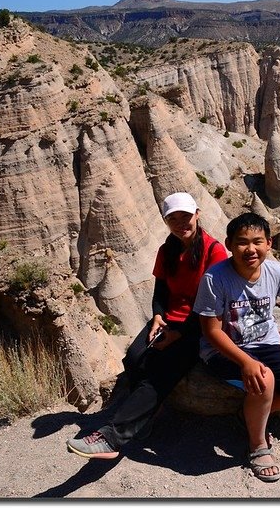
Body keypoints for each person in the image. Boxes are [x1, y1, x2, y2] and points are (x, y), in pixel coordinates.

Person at [66, 192, 228, 459]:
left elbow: (213, 304)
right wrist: (157, 317)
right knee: (133, 359)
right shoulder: (168, 251)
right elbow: (161, 290)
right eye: (172, 219)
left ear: (197, 214)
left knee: (159, 373)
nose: (180, 223)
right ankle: (146, 417)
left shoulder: (214, 251)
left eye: (185, 216)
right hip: (171, 319)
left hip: (201, 324)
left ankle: (111, 437)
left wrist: (179, 334)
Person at [194, 212, 280, 482]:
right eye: (242, 242)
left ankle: (249, 413)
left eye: (257, 242)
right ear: (229, 244)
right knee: (265, 378)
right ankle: (257, 445)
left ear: (269, 244)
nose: (251, 249)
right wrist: (245, 362)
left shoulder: (274, 271)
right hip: (224, 349)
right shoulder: (215, 279)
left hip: (267, 341)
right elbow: (211, 331)